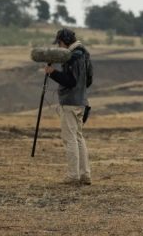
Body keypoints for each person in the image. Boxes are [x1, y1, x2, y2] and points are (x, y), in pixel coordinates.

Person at [44, 28, 92, 186]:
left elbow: (70, 81)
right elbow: (89, 79)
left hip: (70, 102)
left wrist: (53, 73)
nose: (59, 47)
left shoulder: (72, 56)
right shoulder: (84, 53)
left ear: (63, 42)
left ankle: (73, 176)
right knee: (78, 138)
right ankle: (85, 175)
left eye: (59, 43)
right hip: (82, 101)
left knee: (70, 139)